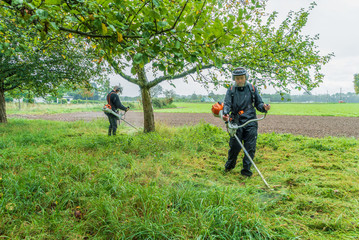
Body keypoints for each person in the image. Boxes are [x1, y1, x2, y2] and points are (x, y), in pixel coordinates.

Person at [222, 67, 271, 177]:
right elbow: (227, 104)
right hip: (236, 121)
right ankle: (229, 166)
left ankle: (246, 171)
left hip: (251, 121)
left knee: (250, 147)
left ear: (246, 77)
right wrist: (225, 114)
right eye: (237, 78)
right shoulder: (231, 90)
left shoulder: (252, 89)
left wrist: (264, 107)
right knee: (235, 146)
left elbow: (258, 104)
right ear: (234, 79)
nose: (239, 80)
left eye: (241, 78)